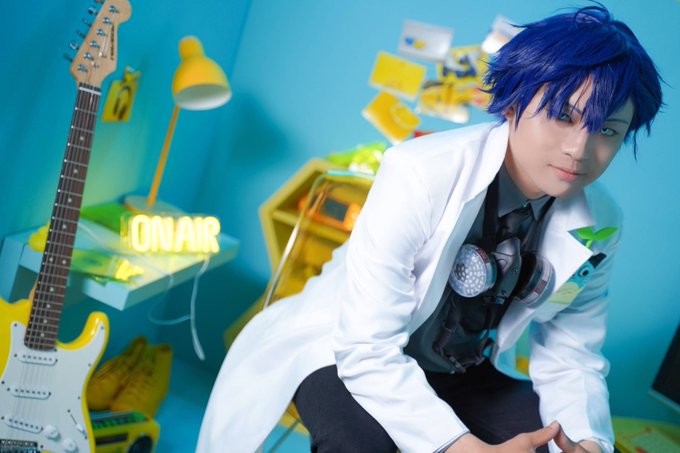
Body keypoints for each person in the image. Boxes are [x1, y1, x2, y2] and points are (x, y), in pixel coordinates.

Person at [197, 5, 663, 453]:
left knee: (552, 444)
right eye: (564, 116)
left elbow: (571, 353)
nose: (579, 150)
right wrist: (460, 446)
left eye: (608, 131)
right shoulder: (418, 172)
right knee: (359, 444)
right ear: (514, 101)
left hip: (463, 366)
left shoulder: (601, 222)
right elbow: (367, 347)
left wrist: (588, 441)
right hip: (344, 349)